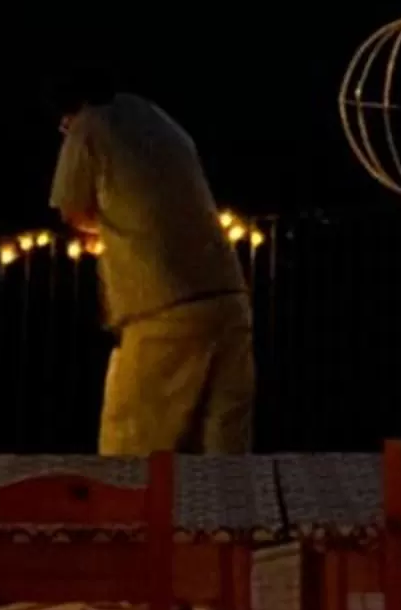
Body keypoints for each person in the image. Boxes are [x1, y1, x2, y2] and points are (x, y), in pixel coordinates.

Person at [49, 63, 255, 455]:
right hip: (228, 296)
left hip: (163, 305)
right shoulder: (157, 119)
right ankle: (225, 517)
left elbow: (71, 211)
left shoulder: (89, 125)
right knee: (224, 454)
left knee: (131, 451)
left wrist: (105, 232)